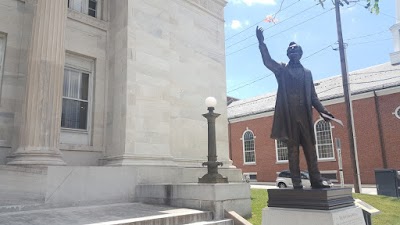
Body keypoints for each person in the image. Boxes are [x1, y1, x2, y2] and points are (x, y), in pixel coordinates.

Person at [256, 26, 334, 189]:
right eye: (290, 51)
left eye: (296, 51)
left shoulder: (307, 73)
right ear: (288, 55)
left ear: (300, 54)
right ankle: (297, 183)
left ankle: (316, 180)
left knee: (311, 150)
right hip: (289, 117)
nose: (293, 53)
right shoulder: (282, 70)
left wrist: (323, 111)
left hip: (305, 116)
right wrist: (261, 42)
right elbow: (268, 62)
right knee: (293, 151)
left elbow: (313, 96)